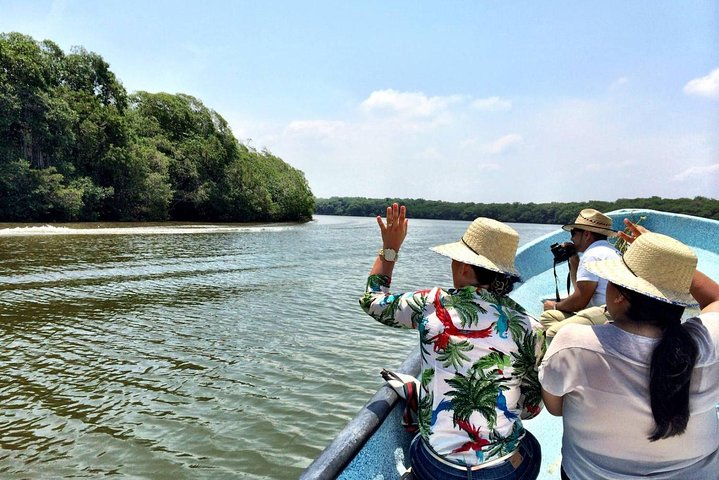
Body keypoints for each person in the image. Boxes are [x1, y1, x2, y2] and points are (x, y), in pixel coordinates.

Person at [360, 203, 546, 480]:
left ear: (464, 268)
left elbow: (372, 301)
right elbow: (531, 409)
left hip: (435, 467)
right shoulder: (529, 327)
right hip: (501, 472)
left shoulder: (431, 305)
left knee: (421, 443)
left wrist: (389, 249)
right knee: (531, 448)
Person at [539, 219, 719, 479]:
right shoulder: (709, 340)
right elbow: (715, 298)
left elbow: (555, 408)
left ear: (620, 295)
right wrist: (670, 266)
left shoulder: (574, 343)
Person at [540, 208, 620, 340]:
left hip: (607, 313)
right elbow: (580, 290)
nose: (571, 238)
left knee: (553, 332)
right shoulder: (610, 251)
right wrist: (574, 259)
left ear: (587, 234)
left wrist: (554, 305)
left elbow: (580, 300)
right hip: (614, 312)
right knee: (550, 317)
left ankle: (571, 354)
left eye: (573, 233)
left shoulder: (592, 255)